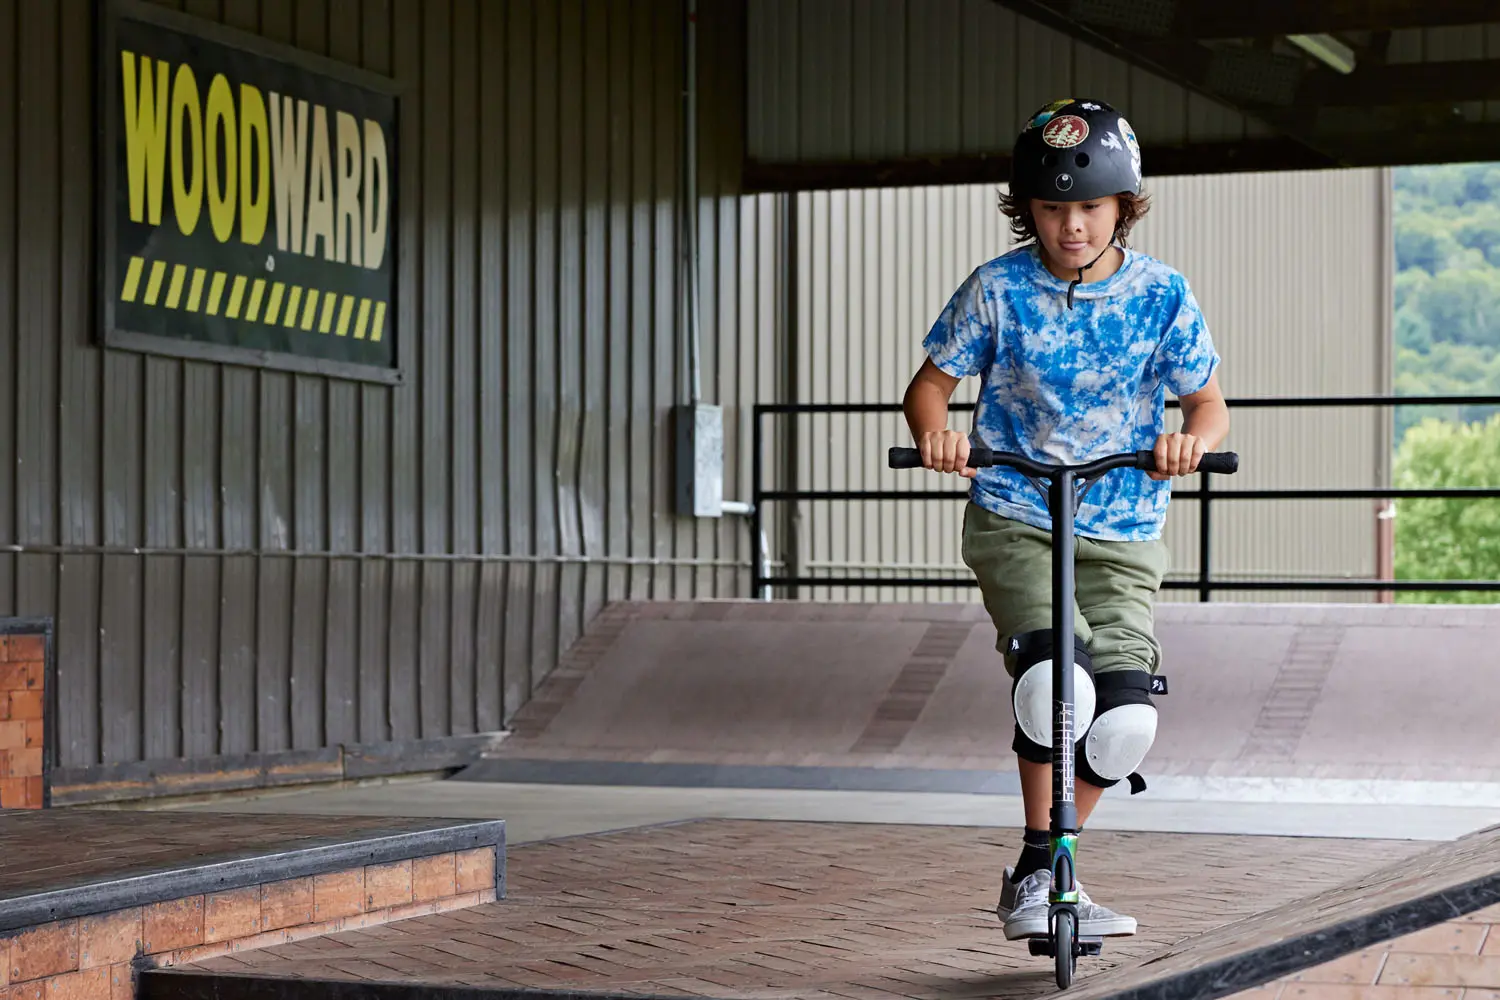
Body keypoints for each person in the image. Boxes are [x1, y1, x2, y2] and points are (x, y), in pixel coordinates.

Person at [901, 98, 1230, 942]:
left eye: (1089, 208)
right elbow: (930, 385)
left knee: (1122, 722)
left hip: (1122, 525)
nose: (1071, 226)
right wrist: (936, 434)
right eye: (1052, 209)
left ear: (1124, 205)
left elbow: (1207, 404)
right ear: (1028, 209)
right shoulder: (999, 288)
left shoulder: (1161, 295)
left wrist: (1188, 444)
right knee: (1058, 683)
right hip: (1017, 510)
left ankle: (1044, 867)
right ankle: (1042, 873)